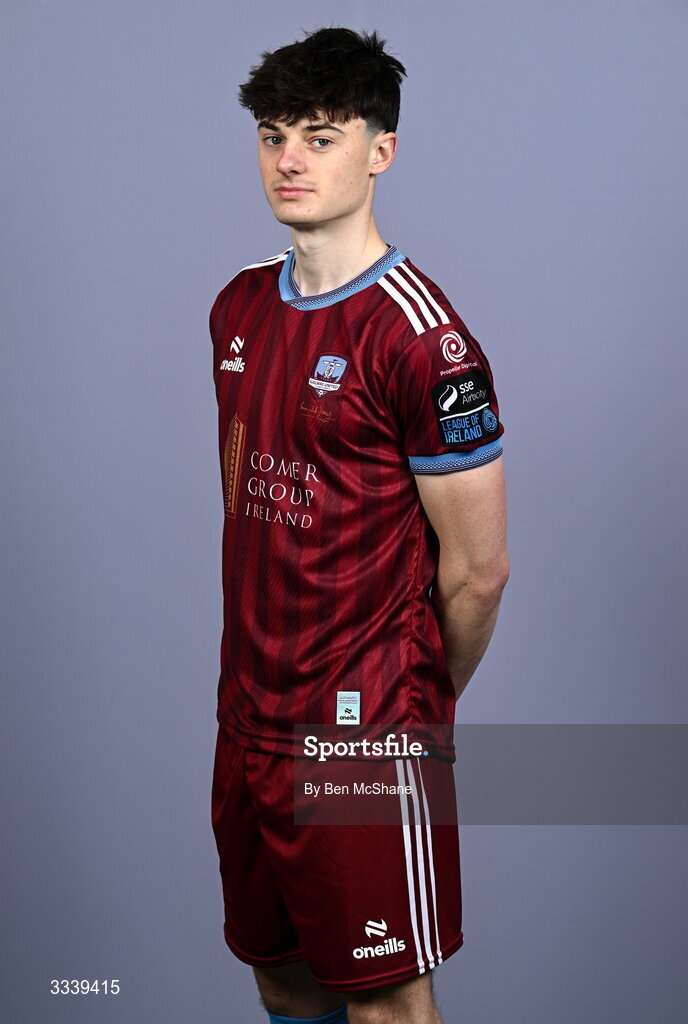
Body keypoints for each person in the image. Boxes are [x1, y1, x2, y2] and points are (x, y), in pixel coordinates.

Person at [209, 26, 509, 1024]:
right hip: (247, 721)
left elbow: (476, 575)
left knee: (384, 1004)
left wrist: (406, 702)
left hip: (361, 736)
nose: (288, 159)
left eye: (320, 135)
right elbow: (248, 498)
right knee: (281, 979)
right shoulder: (239, 309)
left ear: (379, 150)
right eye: (272, 134)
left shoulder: (425, 341)